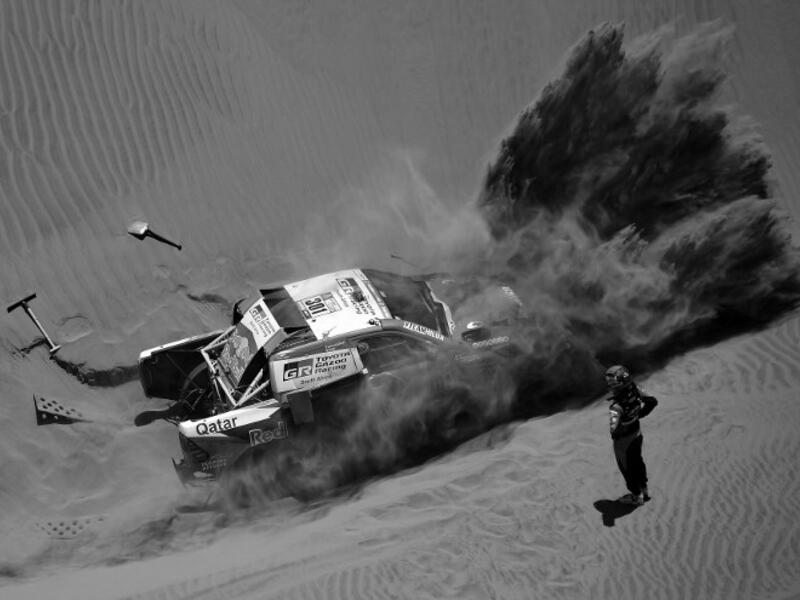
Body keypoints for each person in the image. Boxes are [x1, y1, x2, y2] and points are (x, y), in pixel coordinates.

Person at [605, 365, 658, 505]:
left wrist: (618, 429)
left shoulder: (616, 408)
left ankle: (636, 496)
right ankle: (645, 491)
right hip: (637, 434)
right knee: (638, 462)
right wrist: (639, 415)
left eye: (611, 381)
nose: (609, 384)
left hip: (623, 442)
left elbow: (613, 428)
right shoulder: (636, 389)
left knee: (627, 469)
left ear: (619, 382)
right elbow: (652, 401)